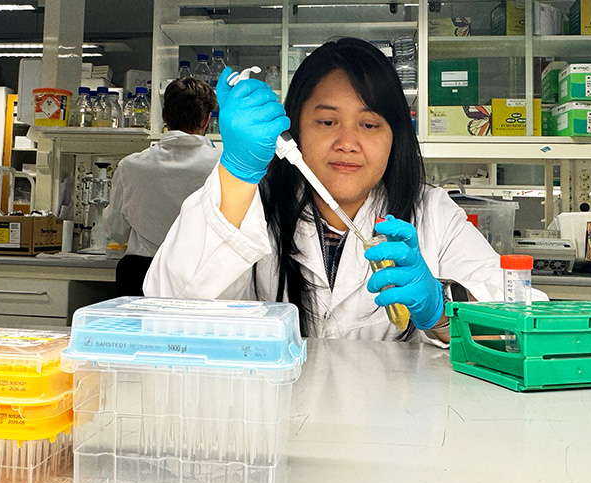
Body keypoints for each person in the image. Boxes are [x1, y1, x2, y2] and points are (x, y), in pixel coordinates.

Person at [145, 38, 543, 345]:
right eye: (326, 122)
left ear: (395, 137)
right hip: (271, 428)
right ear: (295, 130)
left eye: (369, 125)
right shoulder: (254, 203)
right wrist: (237, 173)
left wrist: (443, 309)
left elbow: (528, 324)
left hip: (396, 433)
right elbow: (168, 313)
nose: (347, 142)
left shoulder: (431, 212)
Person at [107, 77, 220, 296]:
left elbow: (117, 232)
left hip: (139, 276)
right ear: (207, 120)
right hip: (200, 276)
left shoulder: (131, 166)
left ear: (164, 117)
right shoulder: (223, 167)